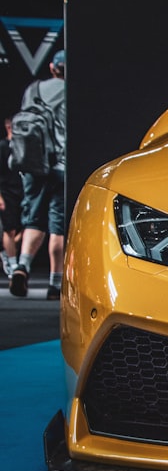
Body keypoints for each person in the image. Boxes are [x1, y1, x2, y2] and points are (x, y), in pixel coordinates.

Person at [9, 50, 66, 300]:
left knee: (33, 220)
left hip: (33, 165)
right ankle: (55, 285)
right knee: (58, 226)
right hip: (62, 165)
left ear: (53, 67)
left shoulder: (34, 89)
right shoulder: (72, 92)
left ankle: (23, 266)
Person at [1, 115, 25, 280]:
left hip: (22, 192)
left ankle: (5, 252)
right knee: (9, 229)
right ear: (8, 126)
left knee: (26, 228)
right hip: (6, 191)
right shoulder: (2, 147)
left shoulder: (22, 147)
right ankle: (12, 262)